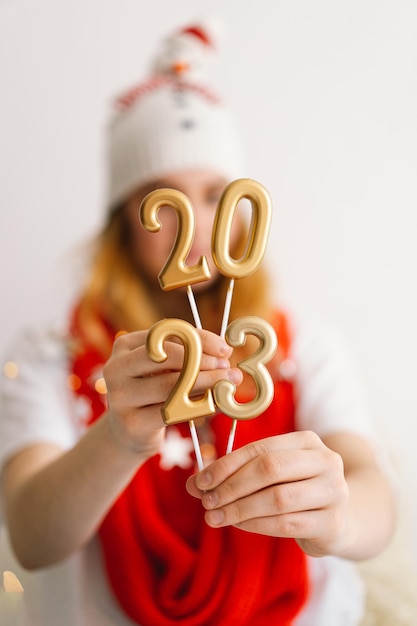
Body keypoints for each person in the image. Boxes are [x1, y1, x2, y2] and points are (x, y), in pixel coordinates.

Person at [0, 20, 396, 626]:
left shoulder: (302, 349)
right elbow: (32, 535)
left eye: (214, 193)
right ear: (125, 220)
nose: (197, 225)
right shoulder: (50, 357)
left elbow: (374, 498)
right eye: (163, 197)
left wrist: (338, 512)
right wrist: (118, 438)